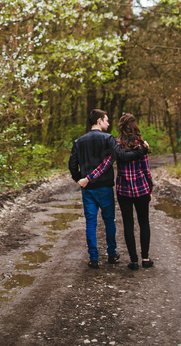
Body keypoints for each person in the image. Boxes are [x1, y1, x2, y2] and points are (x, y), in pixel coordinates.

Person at [68, 109, 148, 268]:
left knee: (90, 223)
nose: (108, 123)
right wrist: (141, 151)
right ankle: (112, 254)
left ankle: (94, 258)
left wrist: (80, 180)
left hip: (88, 189)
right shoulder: (107, 138)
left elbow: (72, 165)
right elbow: (122, 156)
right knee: (109, 221)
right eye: (106, 120)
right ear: (99, 121)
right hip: (104, 187)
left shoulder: (78, 142)